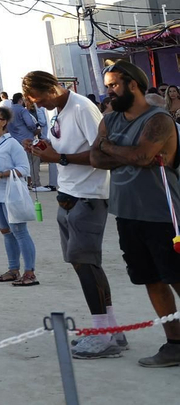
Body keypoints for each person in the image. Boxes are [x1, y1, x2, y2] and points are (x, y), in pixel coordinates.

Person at [19, 70, 127, 358]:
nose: (37, 105)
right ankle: (110, 329)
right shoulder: (58, 110)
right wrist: (44, 149)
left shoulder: (81, 108)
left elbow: (103, 154)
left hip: (88, 197)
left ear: (51, 89)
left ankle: (103, 333)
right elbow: (64, 147)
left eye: (38, 99)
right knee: (84, 264)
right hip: (68, 195)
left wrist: (59, 158)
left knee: (86, 264)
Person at [89, 59, 180, 368]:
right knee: (151, 280)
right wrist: (120, 152)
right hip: (127, 213)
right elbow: (94, 158)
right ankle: (175, 344)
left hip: (163, 213)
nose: (109, 93)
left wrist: (109, 148)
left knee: (178, 277)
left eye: (113, 86)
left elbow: (142, 156)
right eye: (107, 87)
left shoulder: (159, 120)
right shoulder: (110, 119)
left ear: (132, 84)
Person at [0, 104, 39, 287]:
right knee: (6, 232)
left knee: (19, 232)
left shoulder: (12, 143)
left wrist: (2, 174)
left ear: (4, 122)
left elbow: (24, 169)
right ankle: (13, 269)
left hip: (11, 193)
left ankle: (29, 272)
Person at [8, 92, 47, 190]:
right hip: (27, 139)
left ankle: (23, 184)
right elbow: (30, 124)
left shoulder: (8, 111)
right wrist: (35, 128)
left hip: (14, 140)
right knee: (34, 161)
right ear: (20, 100)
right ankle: (36, 184)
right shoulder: (22, 110)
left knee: (20, 164)